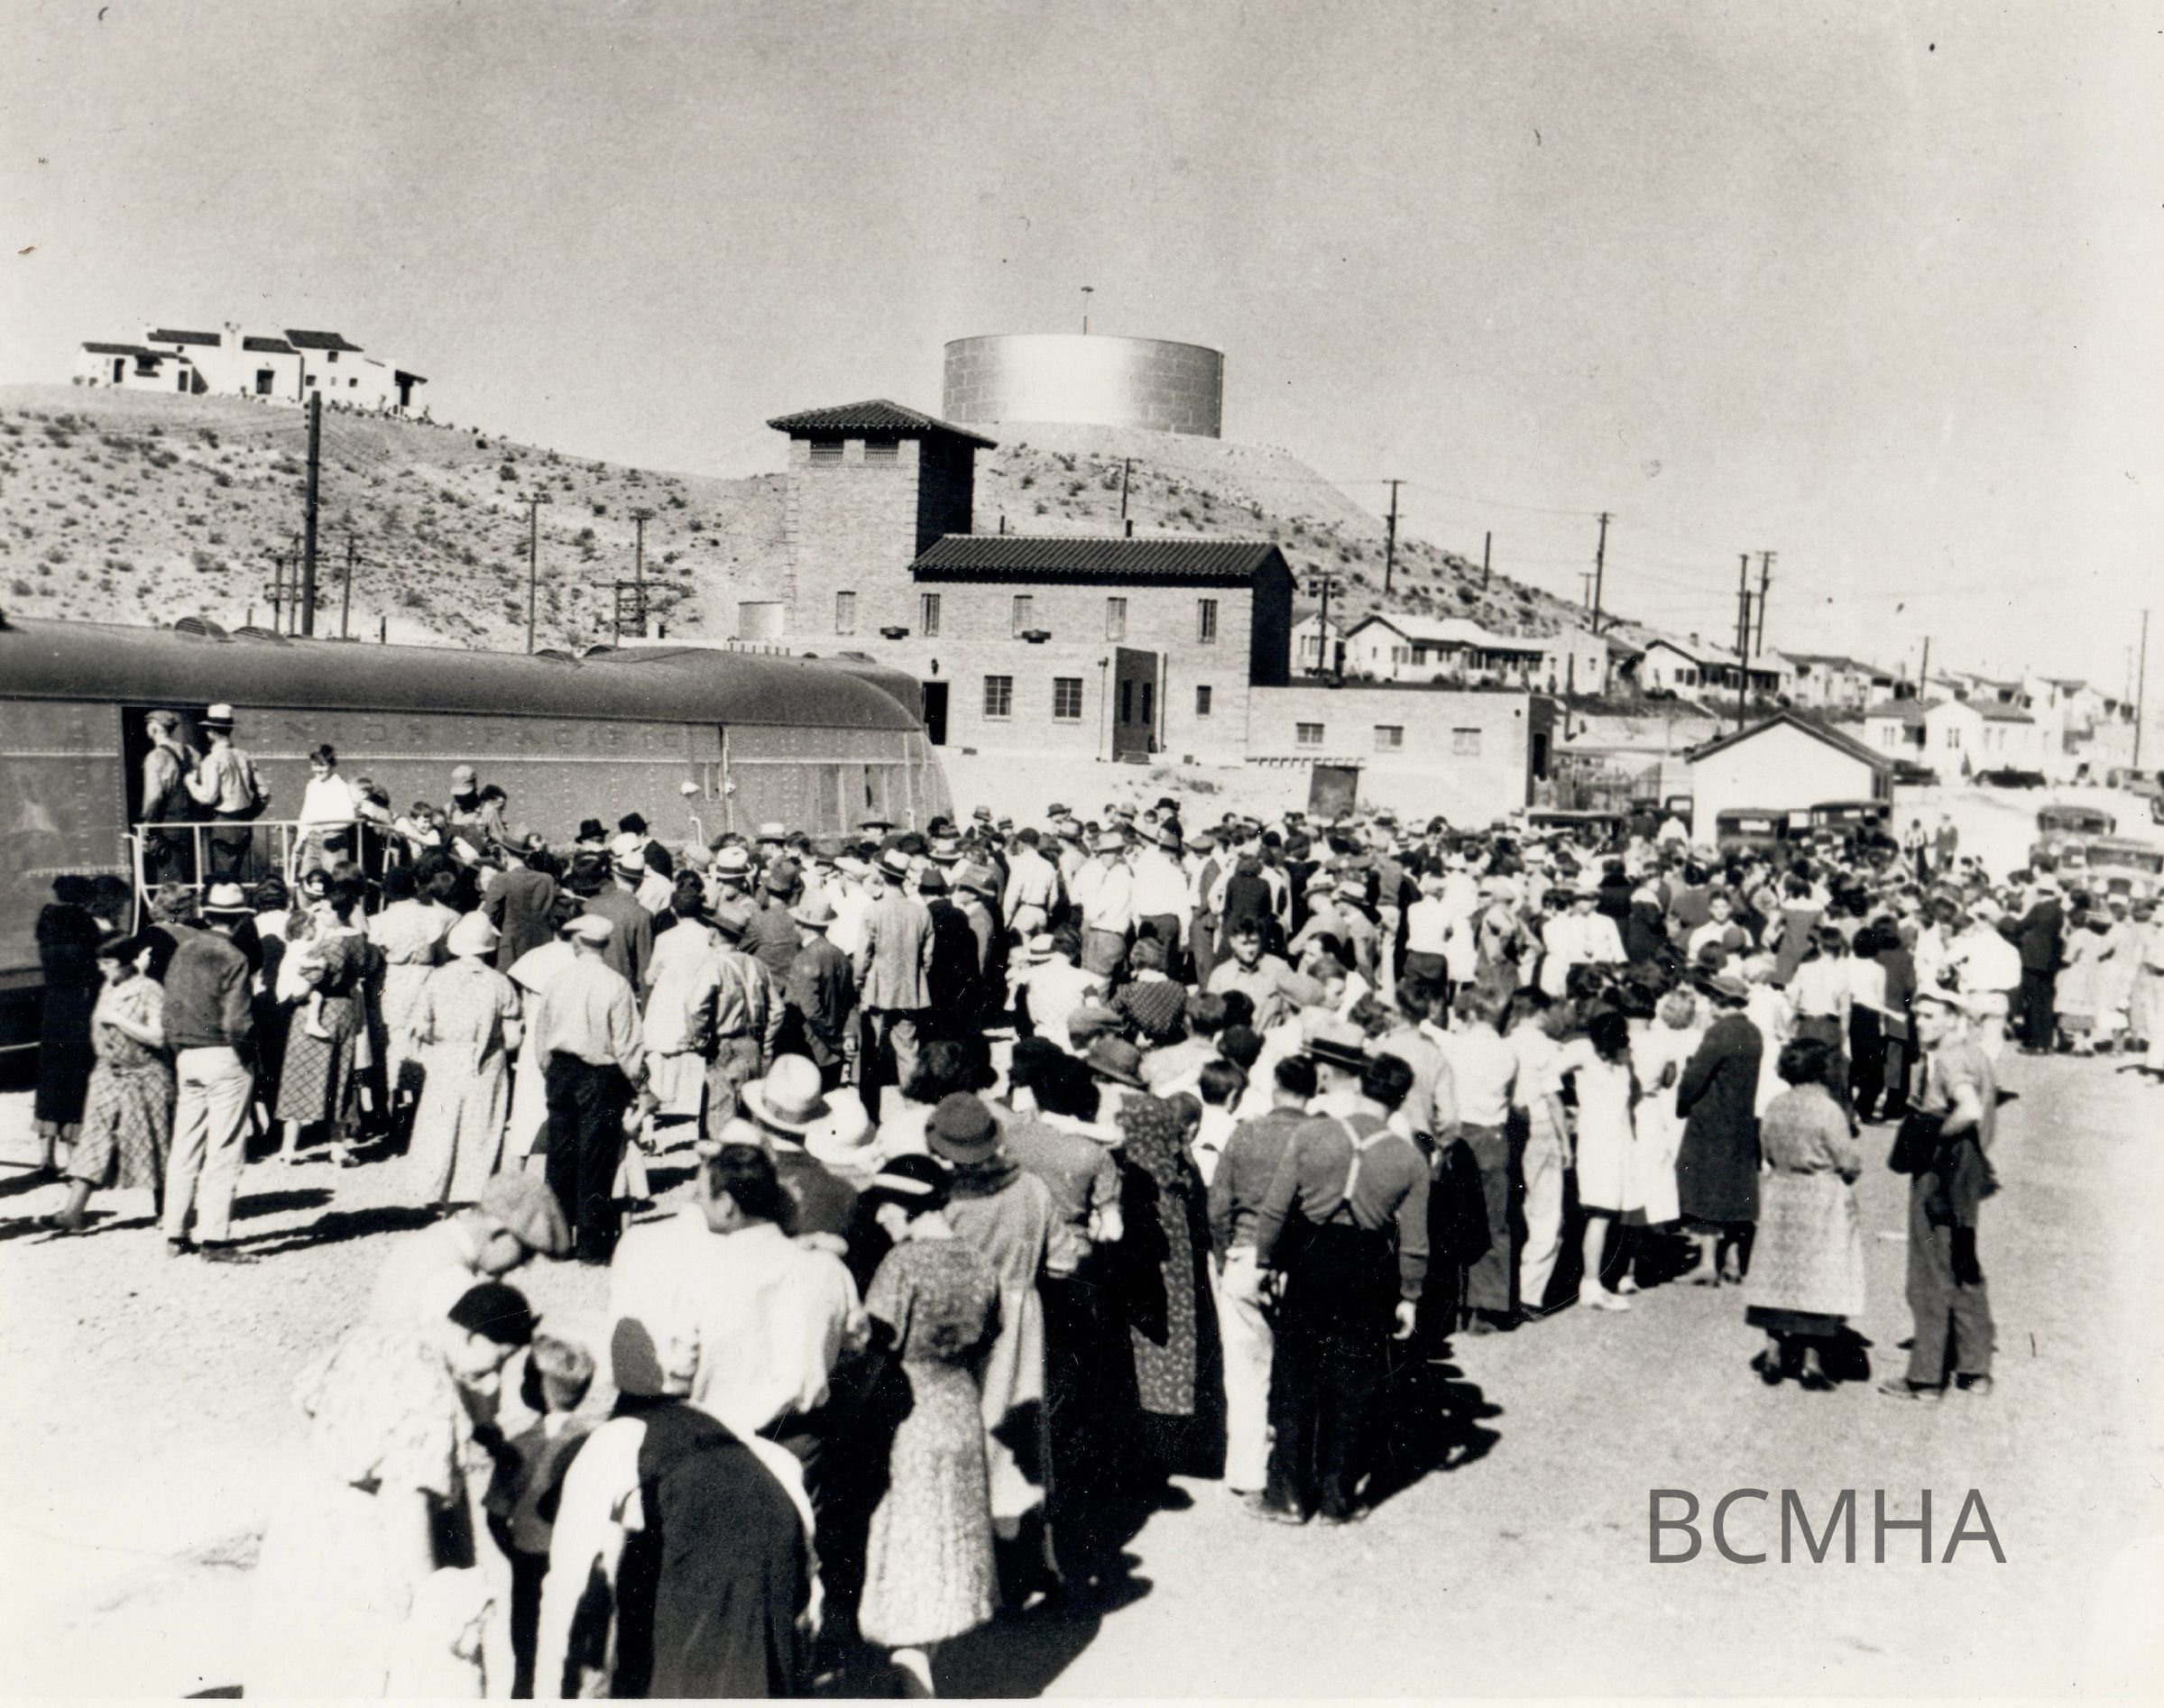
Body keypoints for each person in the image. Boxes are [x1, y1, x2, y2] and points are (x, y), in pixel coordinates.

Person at [244, 1279, 535, 1698]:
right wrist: (432, 1597)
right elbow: (406, 1501)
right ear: (473, 1337)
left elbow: (305, 1397)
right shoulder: (430, 1385)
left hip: (305, 1522)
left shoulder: (375, 1336)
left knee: (298, 1666)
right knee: (363, 1671)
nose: (492, 1380)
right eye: (497, 1361)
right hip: (364, 1542)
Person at [536, 1297, 817, 1699]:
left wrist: (545, 1694)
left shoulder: (613, 1441)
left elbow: (565, 1587)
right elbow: (809, 1590)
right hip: (770, 1638)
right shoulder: (744, 1438)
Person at [1250, 1045, 1427, 1527]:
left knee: (1295, 1376)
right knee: (1354, 1383)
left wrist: (1265, 1261)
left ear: (1361, 1084)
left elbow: (1275, 1209)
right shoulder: (1409, 1160)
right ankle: (1337, 1499)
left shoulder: (1313, 1133)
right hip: (1368, 1269)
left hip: (1311, 1260)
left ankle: (1288, 1495)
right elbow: (1415, 1243)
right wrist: (1409, 1296)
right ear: (1401, 1098)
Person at [855, 1154, 1003, 1696]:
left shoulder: (902, 1264)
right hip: (959, 1406)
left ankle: (912, 1672)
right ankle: (923, 1660)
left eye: (886, 1207)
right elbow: (989, 1337)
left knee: (907, 1536)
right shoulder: (979, 1261)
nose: (880, 1218)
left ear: (909, 1206)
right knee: (947, 1538)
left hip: (908, 1410)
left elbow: (874, 1342)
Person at [1882, 988, 1999, 1401]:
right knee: (1963, 1261)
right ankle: (1974, 1368)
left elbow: (1970, 1109)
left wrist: (1935, 1137)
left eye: (1931, 1016)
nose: (1921, 1023)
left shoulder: (1948, 1060)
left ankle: (1926, 1377)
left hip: (1942, 1167)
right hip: (1969, 1170)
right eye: (1918, 1016)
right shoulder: (1975, 1054)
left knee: (1929, 1269)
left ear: (1953, 1018)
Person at [1207, 1053, 1315, 1498]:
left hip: (1245, 1255)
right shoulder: (1320, 1135)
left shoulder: (1245, 1133)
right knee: (1301, 1369)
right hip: (1301, 1263)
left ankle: (1246, 1472)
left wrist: (1223, 1257)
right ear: (1313, 1091)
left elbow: (1218, 1207)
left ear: (1275, 1088)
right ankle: (1296, 1470)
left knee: (1245, 1373)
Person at [1744, 1037, 1865, 1390]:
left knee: (1778, 1273)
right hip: (1820, 1195)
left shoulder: (1775, 1105)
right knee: (1817, 1275)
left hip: (1782, 1191)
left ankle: (1773, 1353)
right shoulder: (1828, 1110)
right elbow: (1847, 1160)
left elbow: (1766, 1150)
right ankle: (1812, 1362)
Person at [484, 1334, 597, 1700]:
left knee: (526, 1657)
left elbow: (495, 1517)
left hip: (529, 1564)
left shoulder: (519, 1445)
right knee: (573, 1660)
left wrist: (516, 1553)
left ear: (538, 1385)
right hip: (580, 1565)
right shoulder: (593, 1441)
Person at [531, 914, 646, 1264]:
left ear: (578, 942)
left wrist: (550, 1070)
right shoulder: (616, 984)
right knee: (596, 1160)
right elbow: (627, 1045)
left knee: (560, 1156)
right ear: (605, 944)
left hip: (561, 1070)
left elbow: (541, 1033)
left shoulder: (557, 980)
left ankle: (557, 1241)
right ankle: (592, 1246)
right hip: (600, 1075)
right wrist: (640, 1084)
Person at [42, 931, 174, 1235]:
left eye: (109, 963)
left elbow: (158, 1037)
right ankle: (72, 1214)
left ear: (126, 962)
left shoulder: (150, 990)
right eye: (100, 963)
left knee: (156, 1142)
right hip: (106, 1075)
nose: (102, 969)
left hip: (145, 1077)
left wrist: (118, 1020)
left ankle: (168, 1213)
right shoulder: (107, 986)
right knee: (93, 1142)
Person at [161, 882, 258, 1263]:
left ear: (208, 913)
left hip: (186, 1054)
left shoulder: (184, 951)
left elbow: (168, 1008)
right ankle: (215, 1240)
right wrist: (248, 1056)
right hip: (223, 1055)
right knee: (224, 1150)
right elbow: (238, 1023)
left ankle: (175, 1233)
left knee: (185, 1148)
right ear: (240, 918)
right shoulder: (234, 957)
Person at [405, 911, 523, 1207]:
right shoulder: (499, 983)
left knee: (441, 1124)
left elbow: (421, 1026)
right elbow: (513, 1038)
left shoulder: (436, 978)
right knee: (480, 1128)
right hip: (486, 1063)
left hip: (444, 1058)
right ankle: (471, 1194)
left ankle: (437, 1191)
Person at [274, 871, 376, 1168]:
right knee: (339, 1078)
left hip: (319, 1010)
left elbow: (309, 980)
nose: (322, 917)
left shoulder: (329, 945)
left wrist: (294, 991)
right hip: (345, 1009)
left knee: (300, 1075)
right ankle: (338, 1147)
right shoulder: (359, 940)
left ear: (337, 913)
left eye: (326, 911)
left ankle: (289, 1147)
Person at [1672, 969, 1764, 1287]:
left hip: (1711, 1118)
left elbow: (1695, 1078)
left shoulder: (1718, 1032)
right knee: (1736, 1191)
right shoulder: (1753, 1032)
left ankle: (1707, 1264)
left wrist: (1682, 1102)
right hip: (1741, 1118)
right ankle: (1734, 1260)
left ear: (1720, 1001)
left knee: (1706, 1189)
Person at [1555, 1007, 1639, 1312]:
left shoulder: (1622, 1059)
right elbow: (1548, 1072)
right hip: (1596, 1144)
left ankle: (1599, 1280)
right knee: (1600, 1214)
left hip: (1620, 1143)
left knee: (1610, 1213)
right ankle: (1590, 1285)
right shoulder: (1582, 1051)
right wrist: (1566, 1107)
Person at [32, 875, 102, 1174]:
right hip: (79, 1006)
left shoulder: (46, 923)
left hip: (53, 1005)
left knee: (50, 1078)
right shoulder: (86, 925)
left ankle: (46, 1156)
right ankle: (74, 1157)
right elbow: (93, 969)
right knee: (76, 1079)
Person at [782, 894, 859, 1090]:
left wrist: (835, 1041)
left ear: (801, 924)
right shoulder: (840, 956)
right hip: (834, 1054)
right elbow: (851, 1003)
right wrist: (847, 1037)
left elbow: (812, 1012)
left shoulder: (804, 958)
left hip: (810, 1051)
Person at [186, 704, 270, 881]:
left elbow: (209, 797)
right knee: (243, 876)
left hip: (223, 825)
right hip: (244, 825)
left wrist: (191, 783)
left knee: (224, 877)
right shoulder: (244, 756)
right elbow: (264, 793)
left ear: (211, 732)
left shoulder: (212, 760)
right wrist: (250, 814)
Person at [138, 708, 198, 886]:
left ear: (155, 728)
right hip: (190, 826)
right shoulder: (192, 753)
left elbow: (154, 797)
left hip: (168, 828)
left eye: (149, 724)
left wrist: (146, 828)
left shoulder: (156, 757)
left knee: (169, 882)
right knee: (189, 879)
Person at [292, 743, 359, 877]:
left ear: (331, 765)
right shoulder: (312, 786)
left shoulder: (340, 787)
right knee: (307, 876)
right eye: (314, 765)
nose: (317, 769)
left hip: (333, 839)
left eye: (322, 765)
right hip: (313, 838)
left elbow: (349, 817)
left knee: (333, 877)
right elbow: (306, 814)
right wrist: (300, 839)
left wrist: (325, 826)